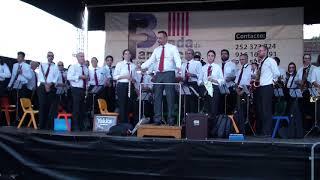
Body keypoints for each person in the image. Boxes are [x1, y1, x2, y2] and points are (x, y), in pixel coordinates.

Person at [141, 31, 182, 126]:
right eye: (158, 38)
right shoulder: (156, 50)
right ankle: (157, 119)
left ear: (166, 38)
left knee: (170, 97)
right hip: (159, 74)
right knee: (157, 97)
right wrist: (142, 66)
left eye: (160, 38)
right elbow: (151, 60)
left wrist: (179, 67)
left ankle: (171, 120)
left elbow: (177, 58)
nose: (158, 40)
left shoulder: (172, 48)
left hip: (169, 73)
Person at [255, 46, 280, 137]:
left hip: (267, 87)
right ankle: (263, 130)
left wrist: (272, 82)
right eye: (258, 51)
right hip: (261, 87)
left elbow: (277, 73)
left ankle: (267, 132)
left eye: (260, 51)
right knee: (261, 109)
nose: (259, 52)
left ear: (265, 51)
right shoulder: (261, 62)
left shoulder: (270, 61)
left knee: (266, 109)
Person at [198, 50, 224, 121]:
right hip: (205, 89)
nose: (210, 57)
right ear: (207, 57)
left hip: (214, 88)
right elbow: (199, 81)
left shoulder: (217, 67)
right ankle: (205, 128)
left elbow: (222, 80)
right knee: (206, 109)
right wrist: (204, 82)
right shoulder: (203, 68)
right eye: (209, 55)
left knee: (213, 109)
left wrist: (213, 80)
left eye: (212, 56)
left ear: (214, 57)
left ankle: (214, 129)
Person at [7, 51, 32, 125]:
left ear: (23, 57)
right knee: (16, 103)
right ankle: (16, 119)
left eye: (20, 57)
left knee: (22, 103)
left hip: (23, 86)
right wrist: (9, 85)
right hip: (16, 85)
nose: (18, 58)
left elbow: (30, 77)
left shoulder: (27, 66)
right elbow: (13, 76)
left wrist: (22, 73)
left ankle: (22, 120)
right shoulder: (15, 65)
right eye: (17, 56)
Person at [114, 49, 137, 124]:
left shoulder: (133, 66)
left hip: (131, 85)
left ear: (130, 55)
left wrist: (133, 80)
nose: (127, 55)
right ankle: (122, 123)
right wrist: (124, 76)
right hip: (122, 85)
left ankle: (129, 124)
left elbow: (136, 77)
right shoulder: (119, 64)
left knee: (130, 104)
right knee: (122, 104)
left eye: (129, 54)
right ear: (123, 56)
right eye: (125, 54)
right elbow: (115, 77)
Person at [67, 52, 89, 131]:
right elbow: (69, 77)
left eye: (83, 56)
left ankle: (81, 125)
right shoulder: (73, 67)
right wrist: (79, 76)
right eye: (81, 56)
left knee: (82, 108)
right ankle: (75, 126)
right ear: (77, 58)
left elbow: (86, 80)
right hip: (76, 89)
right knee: (76, 108)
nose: (82, 58)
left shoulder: (86, 68)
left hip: (83, 89)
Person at [37, 52, 59, 130]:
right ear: (47, 57)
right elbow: (40, 76)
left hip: (51, 87)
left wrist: (50, 85)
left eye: (52, 56)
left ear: (53, 57)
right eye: (49, 56)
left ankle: (48, 126)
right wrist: (45, 85)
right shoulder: (42, 65)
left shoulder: (55, 67)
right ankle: (41, 125)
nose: (50, 57)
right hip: (42, 86)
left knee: (50, 107)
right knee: (42, 105)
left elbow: (56, 77)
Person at [180, 49, 202, 113]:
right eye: (186, 53)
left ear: (193, 55)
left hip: (193, 85)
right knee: (185, 102)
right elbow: (182, 75)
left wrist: (192, 75)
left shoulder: (197, 63)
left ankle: (193, 119)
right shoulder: (183, 65)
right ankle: (186, 118)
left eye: (189, 53)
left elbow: (200, 75)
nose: (188, 55)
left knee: (193, 103)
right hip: (185, 85)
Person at [235, 54, 252, 132]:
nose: (241, 61)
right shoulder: (240, 69)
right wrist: (237, 90)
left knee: (244, 111)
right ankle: (239, 129)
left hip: (246, 91)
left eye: (243, 59)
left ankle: (244, 130)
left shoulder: (250, 68)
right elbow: (237, 81)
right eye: (240, 59)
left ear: (247, 59)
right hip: (239, 90)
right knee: (239, 110)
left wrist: (242, 91)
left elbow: (249, 82)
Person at [220, 49, 237, 114]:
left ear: (228, 55)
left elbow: (236, 76)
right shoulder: (218, 65)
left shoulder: (232, 64)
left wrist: (231, 78)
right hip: (220, 88)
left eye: (225, 53)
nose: (224, 55)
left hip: (229, 88)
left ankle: (229, 122)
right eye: (222, 54)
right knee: (221, 107)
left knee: (229, 107)